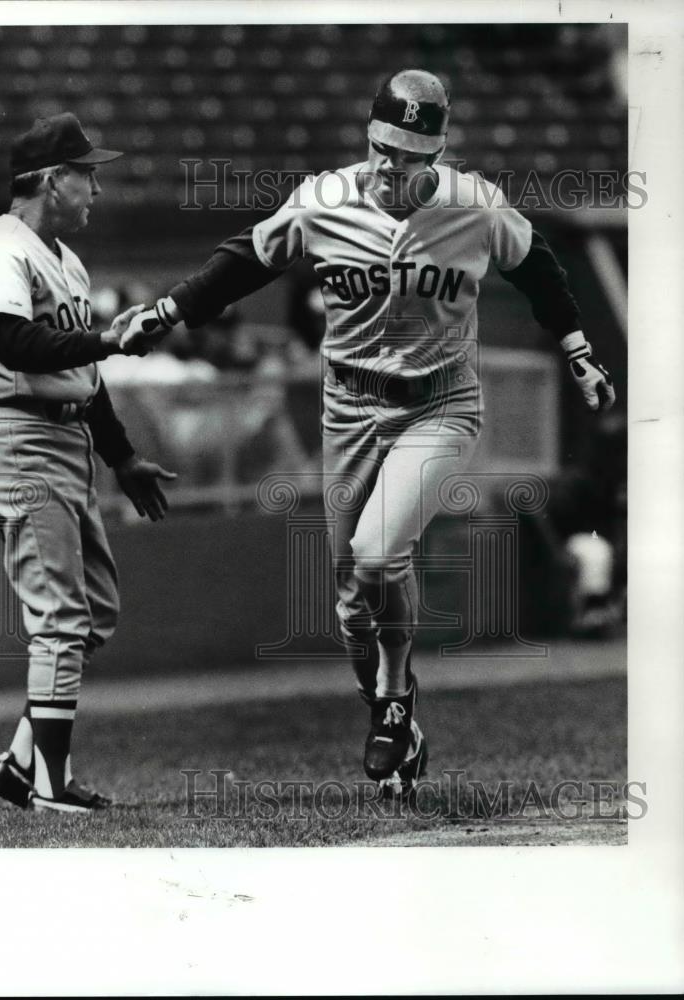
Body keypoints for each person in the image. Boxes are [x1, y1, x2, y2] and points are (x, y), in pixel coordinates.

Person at [121, 70, 616, 798]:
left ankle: (393, 701)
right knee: (353, 600)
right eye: (384, 146)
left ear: (438, 153)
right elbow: (247, 258)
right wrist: (166, 311)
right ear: (368, 136)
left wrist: (576, 348)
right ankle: (394, 716)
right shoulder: (325, 199)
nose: (393, 166)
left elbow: (538, 264)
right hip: (347, 407)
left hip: (440, 403)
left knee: (380, 553)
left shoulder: (471, 205)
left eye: (412, 154)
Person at [0, 112, 176, 813]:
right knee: (59, 619)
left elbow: (87, 373)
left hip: (67, 440)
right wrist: (107, 342)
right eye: (88, 175)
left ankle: (19, 766)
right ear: (53, 181)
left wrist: (122, 456)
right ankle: (52, 785)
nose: (97, 189)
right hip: (20, 437)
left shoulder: (66, 260)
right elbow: (13, 341)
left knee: (94, 613)